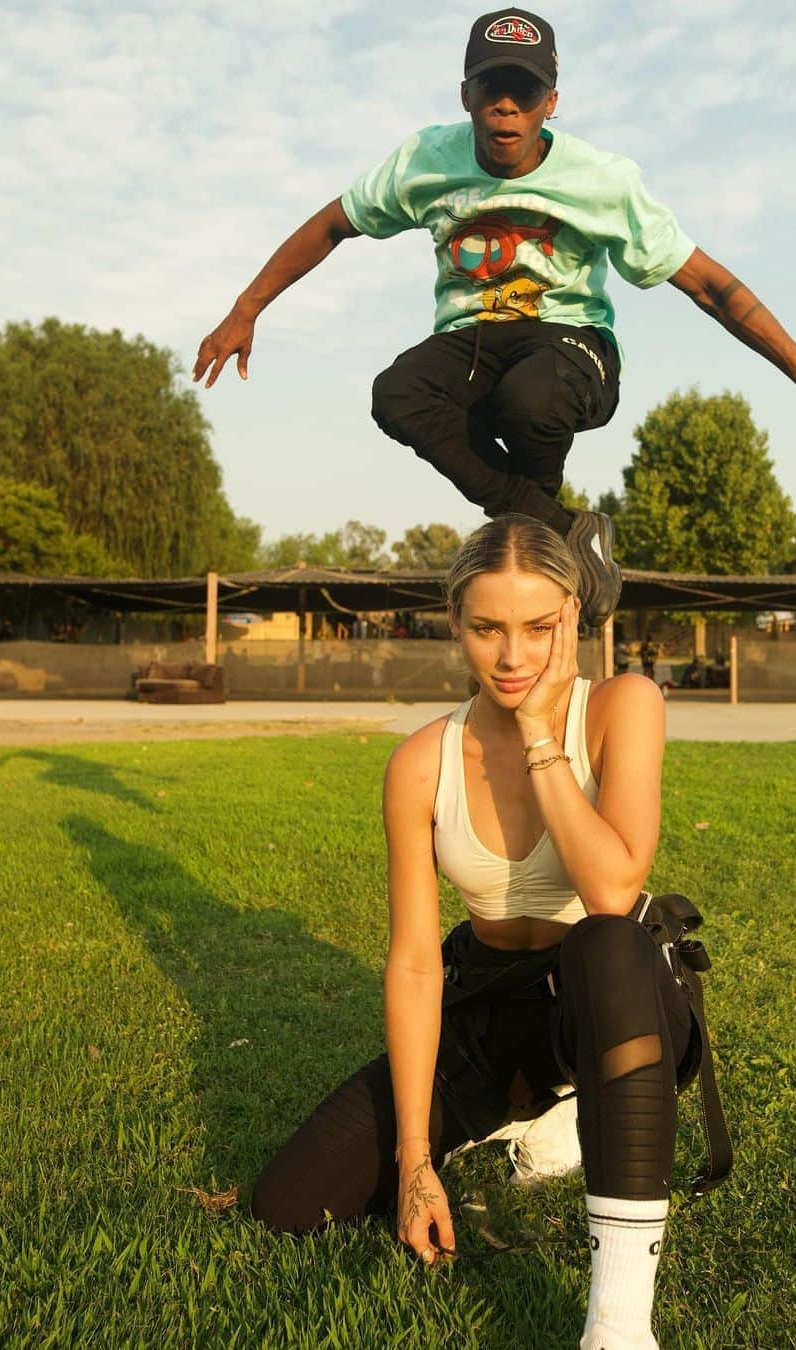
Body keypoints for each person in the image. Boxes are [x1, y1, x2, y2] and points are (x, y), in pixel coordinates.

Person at [193, 9, 796, 631]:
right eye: (490, 89)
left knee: (527, 397)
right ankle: (559, 532)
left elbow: (710, 285)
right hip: (469, 341)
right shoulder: (420, 162)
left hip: (572, 347)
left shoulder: (603, 180)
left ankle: (543, 528)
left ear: (549, 103)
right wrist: (244, 309)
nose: (505, 108)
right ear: (464, 94)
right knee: (396, 394)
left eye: (523, 93)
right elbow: (331, 225)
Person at [250, 515, 723, 1349]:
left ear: (573, 619)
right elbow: (413, 965)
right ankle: (526, 1107)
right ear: (454, 624)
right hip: (487, 1001)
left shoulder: (622, 706)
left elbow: (613, 886)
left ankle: (617, 1324)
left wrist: (541, 734)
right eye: (487, 629)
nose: (513, 658)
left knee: (604, 940)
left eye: (539, 628)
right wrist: (413, 1162)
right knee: (287, 1201)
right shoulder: (421, 763)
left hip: (616, 1003)